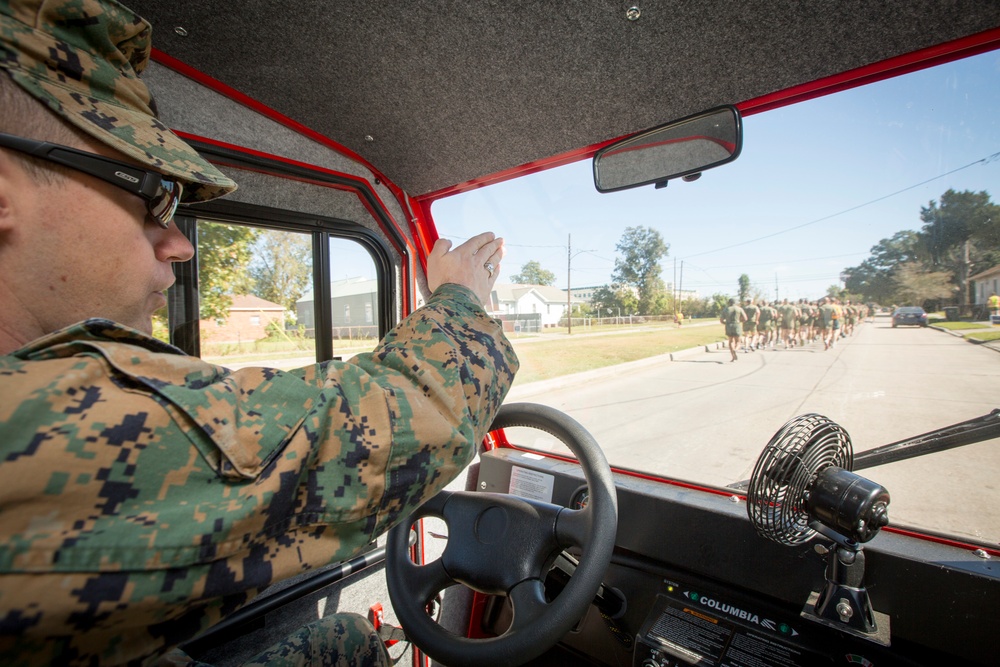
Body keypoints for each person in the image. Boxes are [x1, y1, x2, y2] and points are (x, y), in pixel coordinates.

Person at [0, 1, 518, 664]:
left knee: (347, 640)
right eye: (148, 191)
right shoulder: (40, 423)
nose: (178, 243)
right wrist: (460, 299)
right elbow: (384, 429)